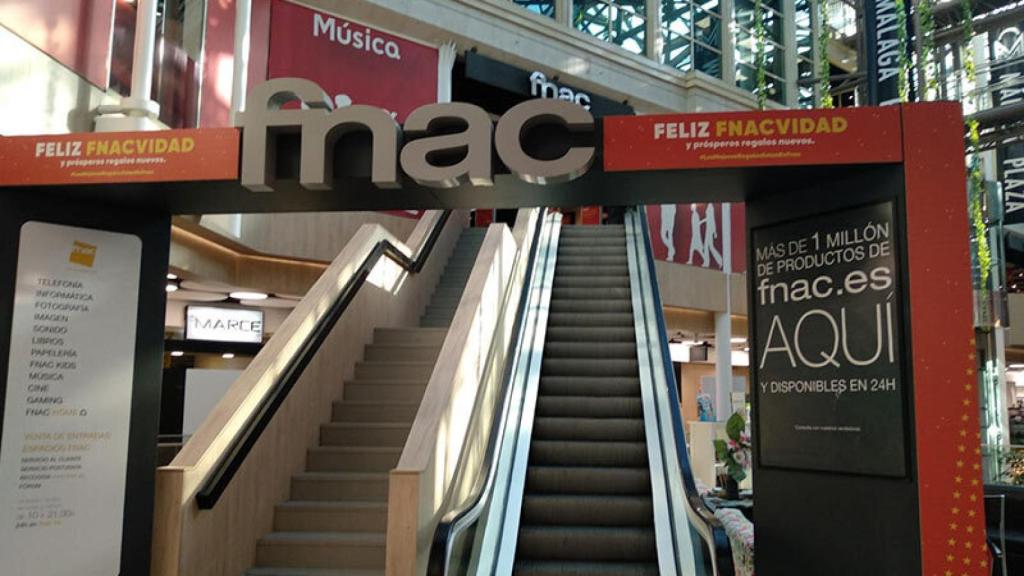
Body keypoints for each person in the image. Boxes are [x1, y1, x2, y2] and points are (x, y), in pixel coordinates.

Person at [705, 204, 723, 269]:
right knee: (706, 246)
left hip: (710, 229)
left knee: (710, 246)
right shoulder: (709, 207)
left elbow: (712, 219)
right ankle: (706, 262)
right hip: (708, 229)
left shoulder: (710, 207)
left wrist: (714, 231)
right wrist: (701, 222)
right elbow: (708, 218)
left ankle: (720, 261)